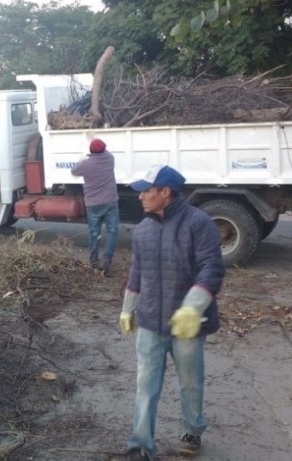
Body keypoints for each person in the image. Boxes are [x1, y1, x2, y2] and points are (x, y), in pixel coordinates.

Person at [112, 164, 225, 460]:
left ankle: (192, 434)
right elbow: (137, 272)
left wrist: (193, 306)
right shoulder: (143, 229)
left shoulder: (198, 224)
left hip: (186, 324)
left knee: (190, 383)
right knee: (145, 385)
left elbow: (211, 268)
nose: (140, 198)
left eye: (146, 191)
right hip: (150, 321)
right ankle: (140, 444)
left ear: (165, 192)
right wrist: (128, 308)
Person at [71, 138, 120, 276]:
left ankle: (93, 260)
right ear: (104, 149)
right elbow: (105, 152)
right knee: (112, 231)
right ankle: (107, 258)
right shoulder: (110, 159)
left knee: (94, 233)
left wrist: (83, 159)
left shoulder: (86, 164)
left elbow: (74, 171)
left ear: (91, 152)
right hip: (110, 201)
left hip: (93, 204)